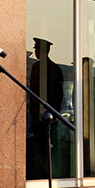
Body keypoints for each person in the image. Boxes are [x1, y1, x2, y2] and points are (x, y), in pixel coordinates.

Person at [28, 37, 66, 180]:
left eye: (38, 49)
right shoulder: (36, 67)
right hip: (36, 115)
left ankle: (46, 171)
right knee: (39, 145)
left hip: (48, 115)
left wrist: (54, 113)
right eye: (35, 49)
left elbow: (58, 94)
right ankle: (40, 170)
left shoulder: (53, 69)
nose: (36, 52)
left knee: (46, 146)